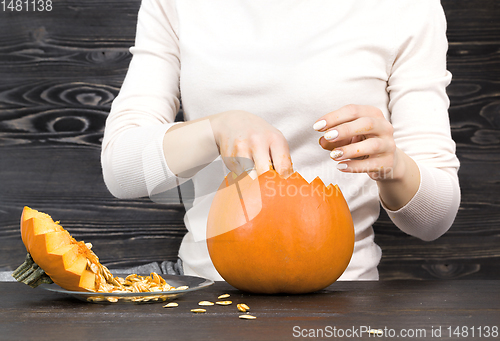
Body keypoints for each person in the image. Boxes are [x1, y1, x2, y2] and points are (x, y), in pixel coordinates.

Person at [101, 0, 461, 280]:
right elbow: (121, 170)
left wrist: (393, 166)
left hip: (346, 300)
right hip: (206, 299)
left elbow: (434, 221)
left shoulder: (408, 8)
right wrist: (216, 129)